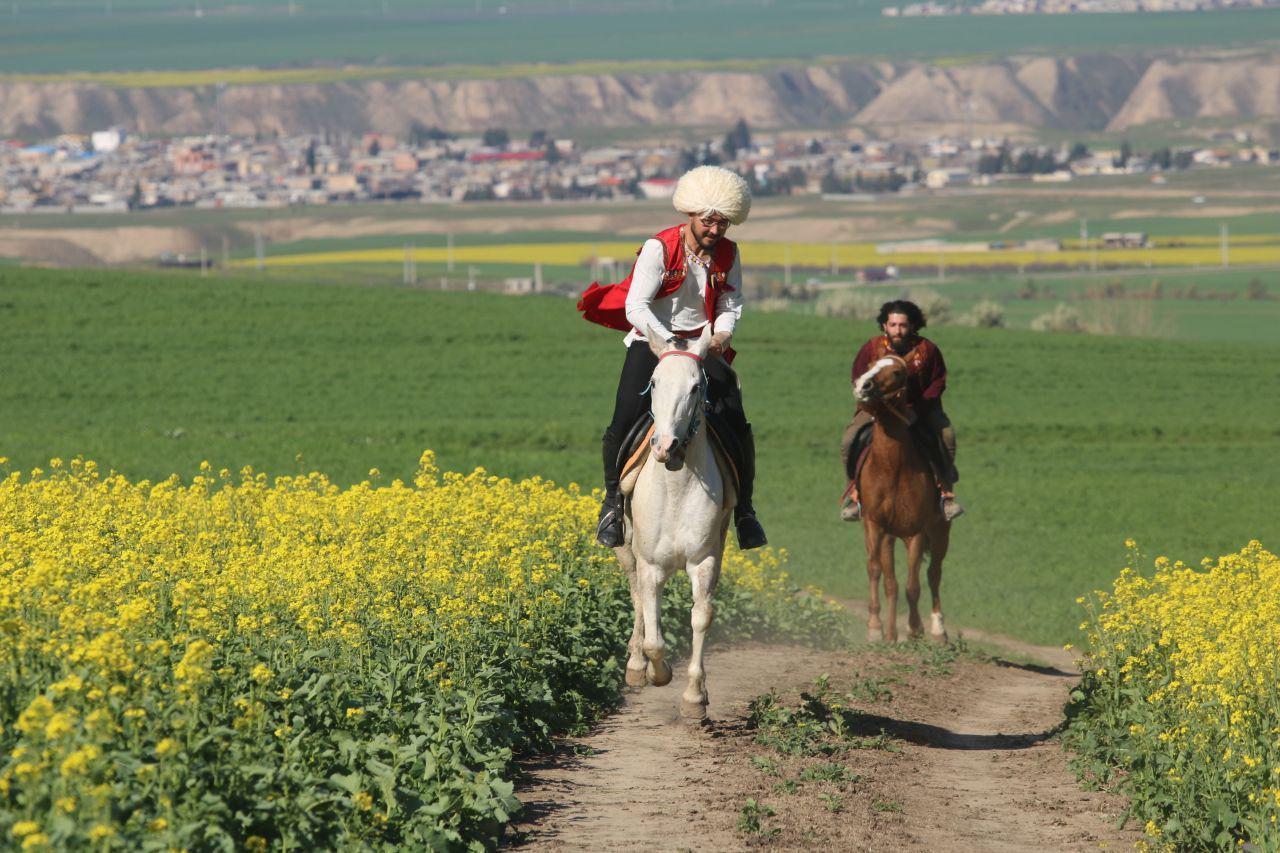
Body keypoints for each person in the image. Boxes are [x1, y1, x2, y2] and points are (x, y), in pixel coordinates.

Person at [578, 165, 767, 550]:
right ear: (692, 215)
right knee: (624, 416)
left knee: (734, 416)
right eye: (709, 222)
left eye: (723, 224)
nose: (716, 230)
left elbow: (731, 299)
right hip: (653, 342)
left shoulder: (729, 253)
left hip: (702, 345)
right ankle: (613, 503)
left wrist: (724, 332)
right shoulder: (659, 247)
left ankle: (745, 510)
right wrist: (664, 342)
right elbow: (636, 305)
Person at [839, 299, 964, 522]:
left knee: (947, 435)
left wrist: (917, 410)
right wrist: (872, 405)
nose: (898, 330)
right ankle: (855, 494)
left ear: (913, 325)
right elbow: (857, 378)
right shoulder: (872, 348)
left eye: (903, 325)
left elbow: (937, 382)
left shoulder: (928, 350)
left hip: (921, 409)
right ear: (884, 325)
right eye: (893, 325)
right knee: (849, 439)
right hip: (877, 408)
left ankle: (946, 493)